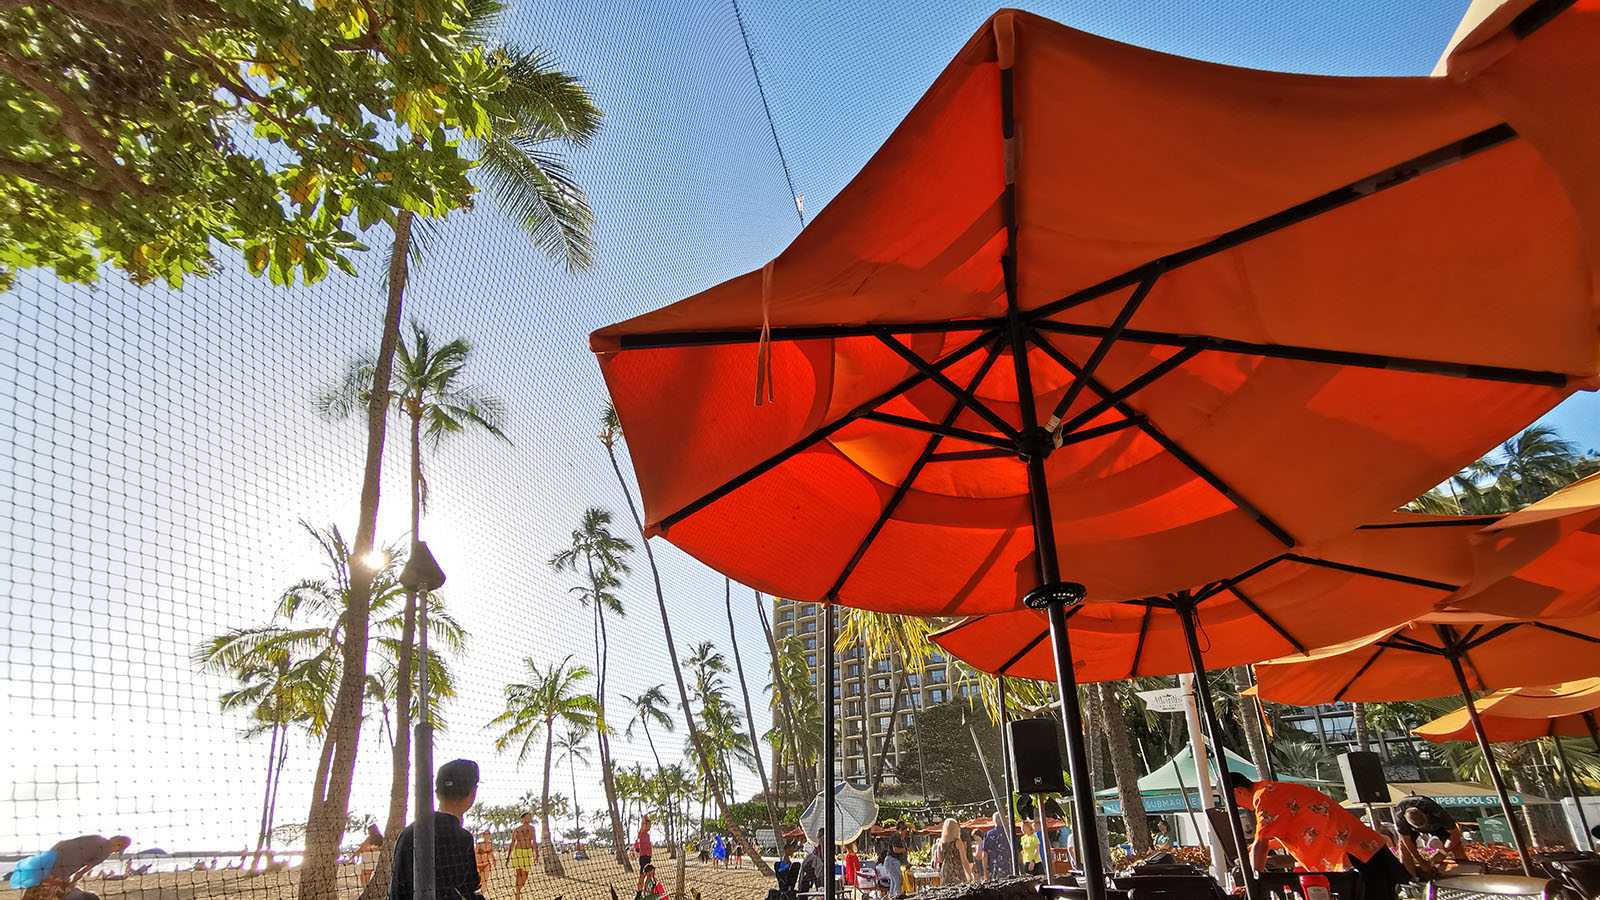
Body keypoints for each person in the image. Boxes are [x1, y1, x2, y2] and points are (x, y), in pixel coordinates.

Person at [1228, 773, 1410, 900]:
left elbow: (1261, 842)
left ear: (1238, 791)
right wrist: (1258, 849)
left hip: (1353, 854)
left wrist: (1253, 882)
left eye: (1235, 803)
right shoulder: (1273, 790)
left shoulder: (1264, 796)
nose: (1241, 807)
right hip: (1361, 849)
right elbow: (1295, 833)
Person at [390, 758, 487, 900]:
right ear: (473, 792)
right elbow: (466, 891)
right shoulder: (462, 838)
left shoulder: (409, 832)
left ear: (437, 792)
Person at [20, 834, 131, 900]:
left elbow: (62, 843)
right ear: (119, 843)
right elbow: (81, 873)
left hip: (48, 862)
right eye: (118, 850)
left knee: (32, 893)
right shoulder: (105, 852)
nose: (115, 851)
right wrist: (71, 883)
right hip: (58, 873)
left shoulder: (97, 837)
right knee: (52, 895)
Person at [1393, 795, 1466, 871]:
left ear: (1426, 813)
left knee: (1457, 846)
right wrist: (1421, 861)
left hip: (1437, 826)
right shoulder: (1399, 815)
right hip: (1412, 829)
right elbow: (1406, 840)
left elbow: (1455, 834)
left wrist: (1443, 852)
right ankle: (1410, 878)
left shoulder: (1434, 809)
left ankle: (1466, 873)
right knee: (1403, 848)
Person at [978, 815, 1019, 881]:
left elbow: (984, 854)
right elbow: (1018, 852)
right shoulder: (1010, 833)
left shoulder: (988, 834)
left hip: (993, 870)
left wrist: (985, 873)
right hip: (1010, 869)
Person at [507, 812, 537, 900]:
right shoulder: (517, 830)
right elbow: (512, 842)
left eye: (529, 818)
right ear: (522, 819)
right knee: (519, 874)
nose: (527, 819)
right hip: (518, 852)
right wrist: (508, 856)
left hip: (528, 853)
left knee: (525, 875)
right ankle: (517, 893)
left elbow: (534, 841)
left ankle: (518, 890)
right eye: (526, 818)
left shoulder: (532, 829)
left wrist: (537, 854)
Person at [934, 818, 972, 886]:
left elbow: (940, 859)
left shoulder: (941, 842)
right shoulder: (957, 842)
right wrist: (969, 875)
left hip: (945, 869)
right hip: (957, 870)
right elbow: (964, 860)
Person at [633, 815, 654, 900]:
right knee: (642, 876)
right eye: (648, 824)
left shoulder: (648, 835)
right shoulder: (641, 833)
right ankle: (638, 894)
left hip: (648, 857)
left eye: (650, 825)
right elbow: (642, 825)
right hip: (643, 858)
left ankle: (647, 893)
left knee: (649, 875)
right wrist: (644, 819)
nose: (649, 826)